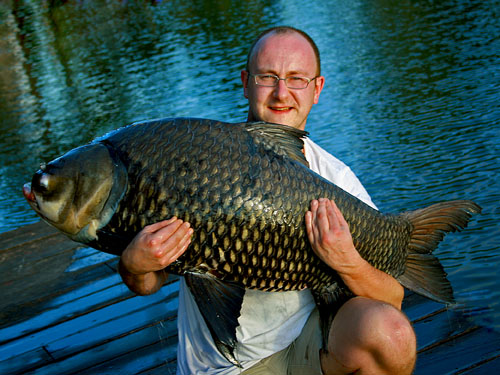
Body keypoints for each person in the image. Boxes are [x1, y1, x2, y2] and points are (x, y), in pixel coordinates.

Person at [118, 26, 417, 374]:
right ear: (245, 82)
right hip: (224, 368)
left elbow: (392, 298)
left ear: (317, 89)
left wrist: (347, 260)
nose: (281, 93)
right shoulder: (197, 161)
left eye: (296, 79)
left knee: (392, 334)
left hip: (310, 346)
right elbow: (149, 281)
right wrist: (134, 265)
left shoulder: (336, 177)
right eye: (268, 77)